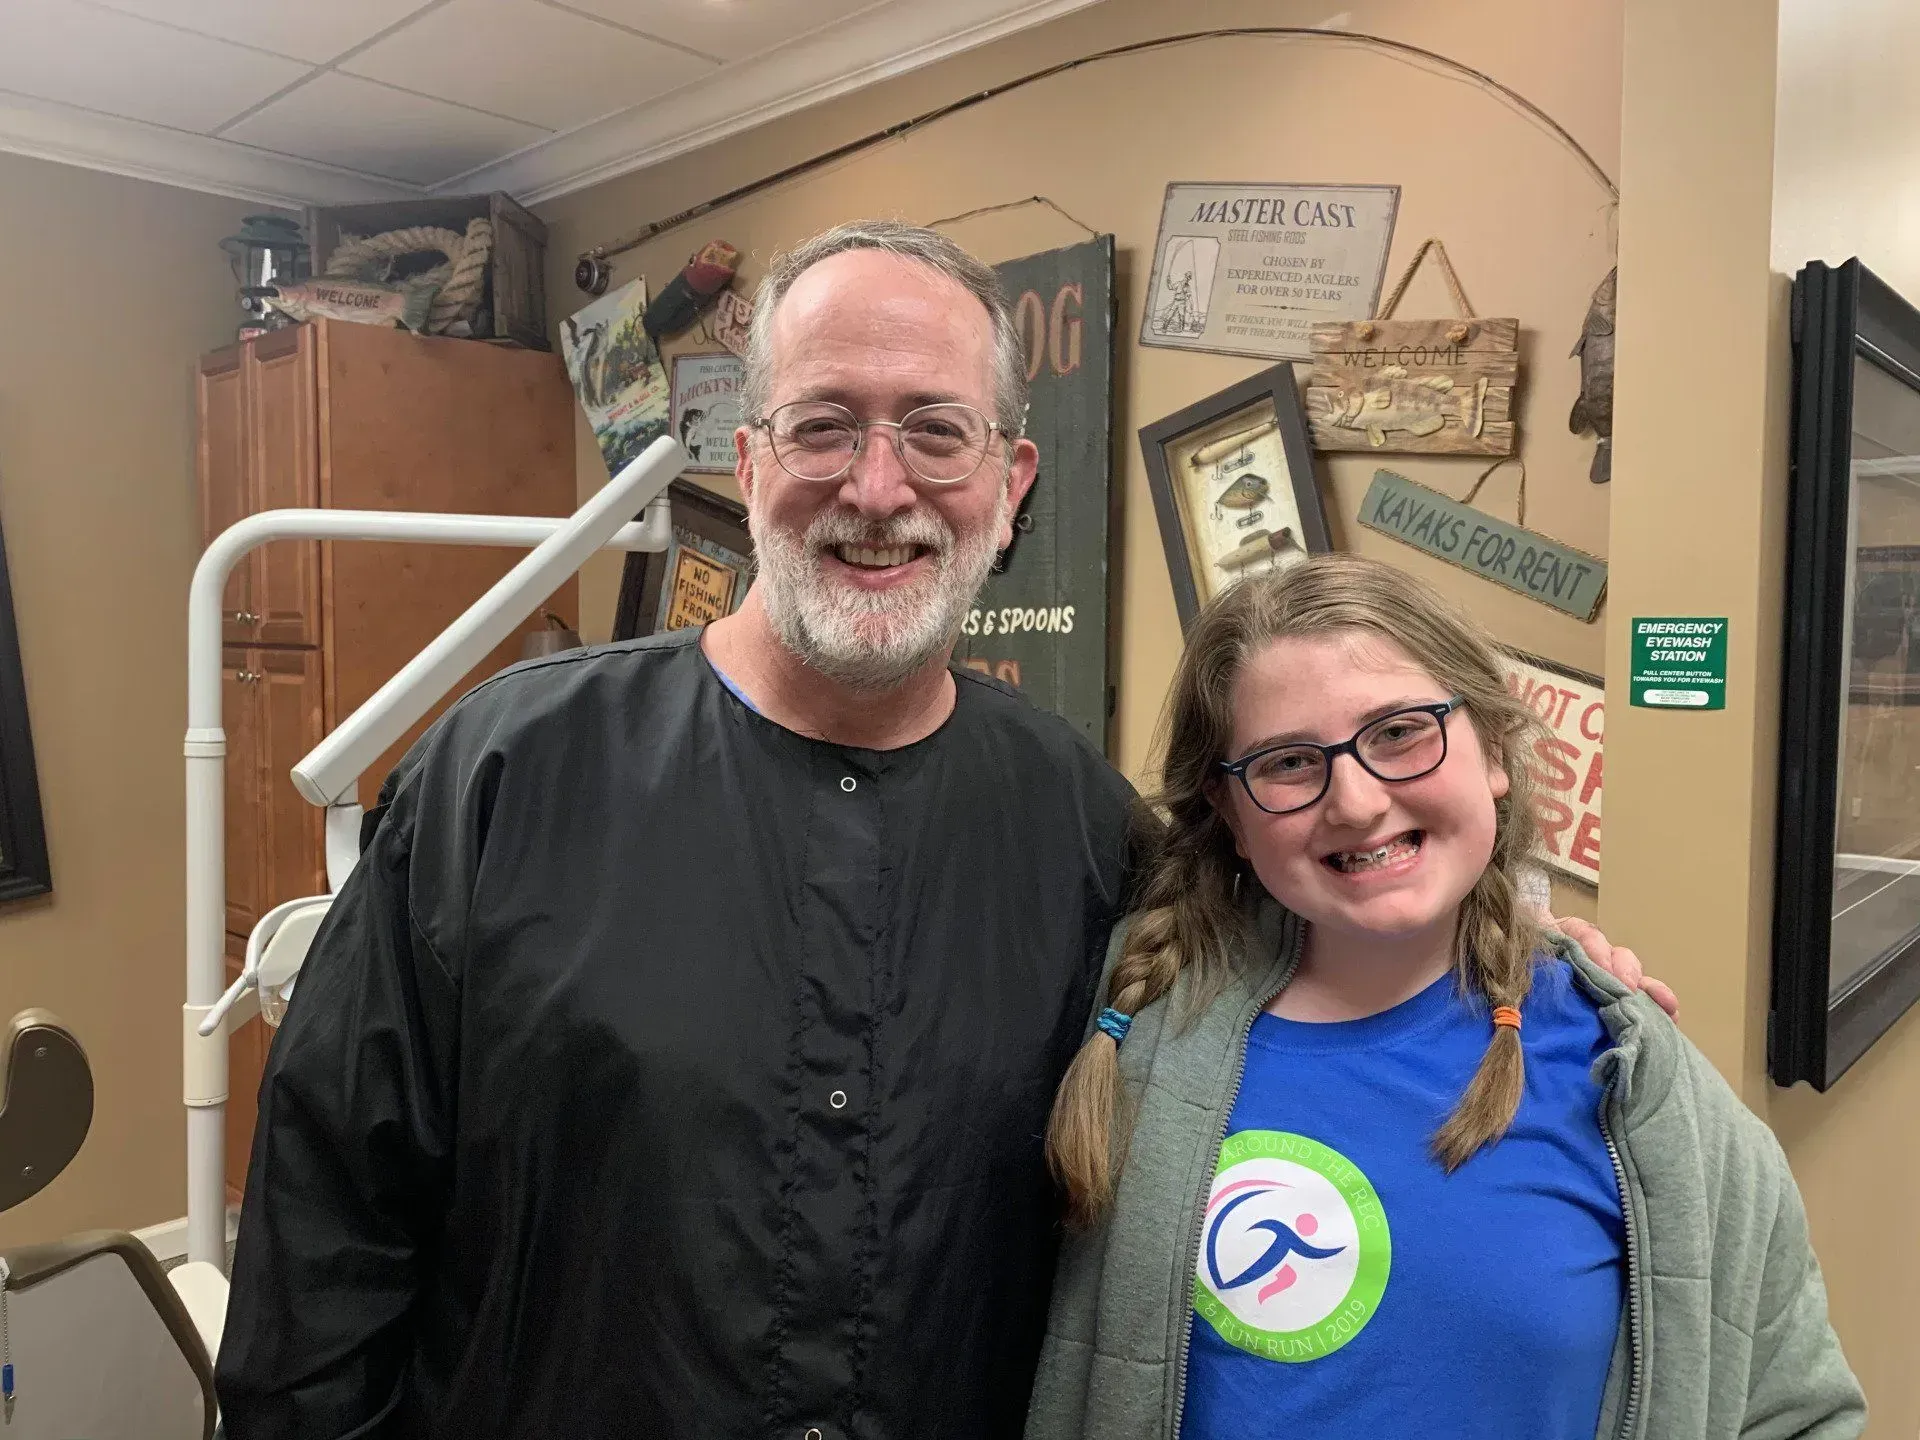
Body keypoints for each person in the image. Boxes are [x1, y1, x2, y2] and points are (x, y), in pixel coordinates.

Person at [215, 220, 1660, 1440]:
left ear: (1009, 486)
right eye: (826, 424)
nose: (879, 487)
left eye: (935, 431)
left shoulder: (1084, 828)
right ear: (749, 456)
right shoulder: (504, 775)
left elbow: (1317, 932)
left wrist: (1520, 947)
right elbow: (325, 1242)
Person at [1024, 555, 1864, 1440]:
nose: (1354, 800)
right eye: (1288, 762)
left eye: (1399, 733)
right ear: (1229, 812)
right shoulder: (1123, 1022)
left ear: (1493, 750)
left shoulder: (1631, 1077)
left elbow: (1797, 1410)